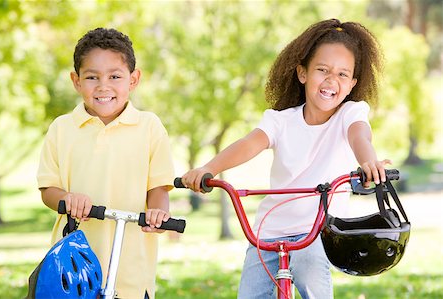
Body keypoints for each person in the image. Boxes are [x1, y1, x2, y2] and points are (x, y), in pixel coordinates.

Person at [181, 18, 391, 299]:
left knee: (308, 270)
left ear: (352, 84)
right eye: (322, 70)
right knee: (251, 293)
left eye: (342, 74)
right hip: (269, 230)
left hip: (317, 230)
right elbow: (248, 144)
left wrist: (369, 162)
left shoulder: (349, 114)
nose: (331, 80)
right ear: (302, 73)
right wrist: (209, 167)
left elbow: (360, 137)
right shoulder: (280, 121)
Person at [37, 28, 174, 299]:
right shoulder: (62, 128)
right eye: (91, 77)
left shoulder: (149, 127)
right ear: (76, 81)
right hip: (75, 269)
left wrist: (158, 213)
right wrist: (67, 198)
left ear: (133, 80)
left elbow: (158, 187)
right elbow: (48, 189)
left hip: (131, 269)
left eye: (115, 76)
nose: (103, 86)